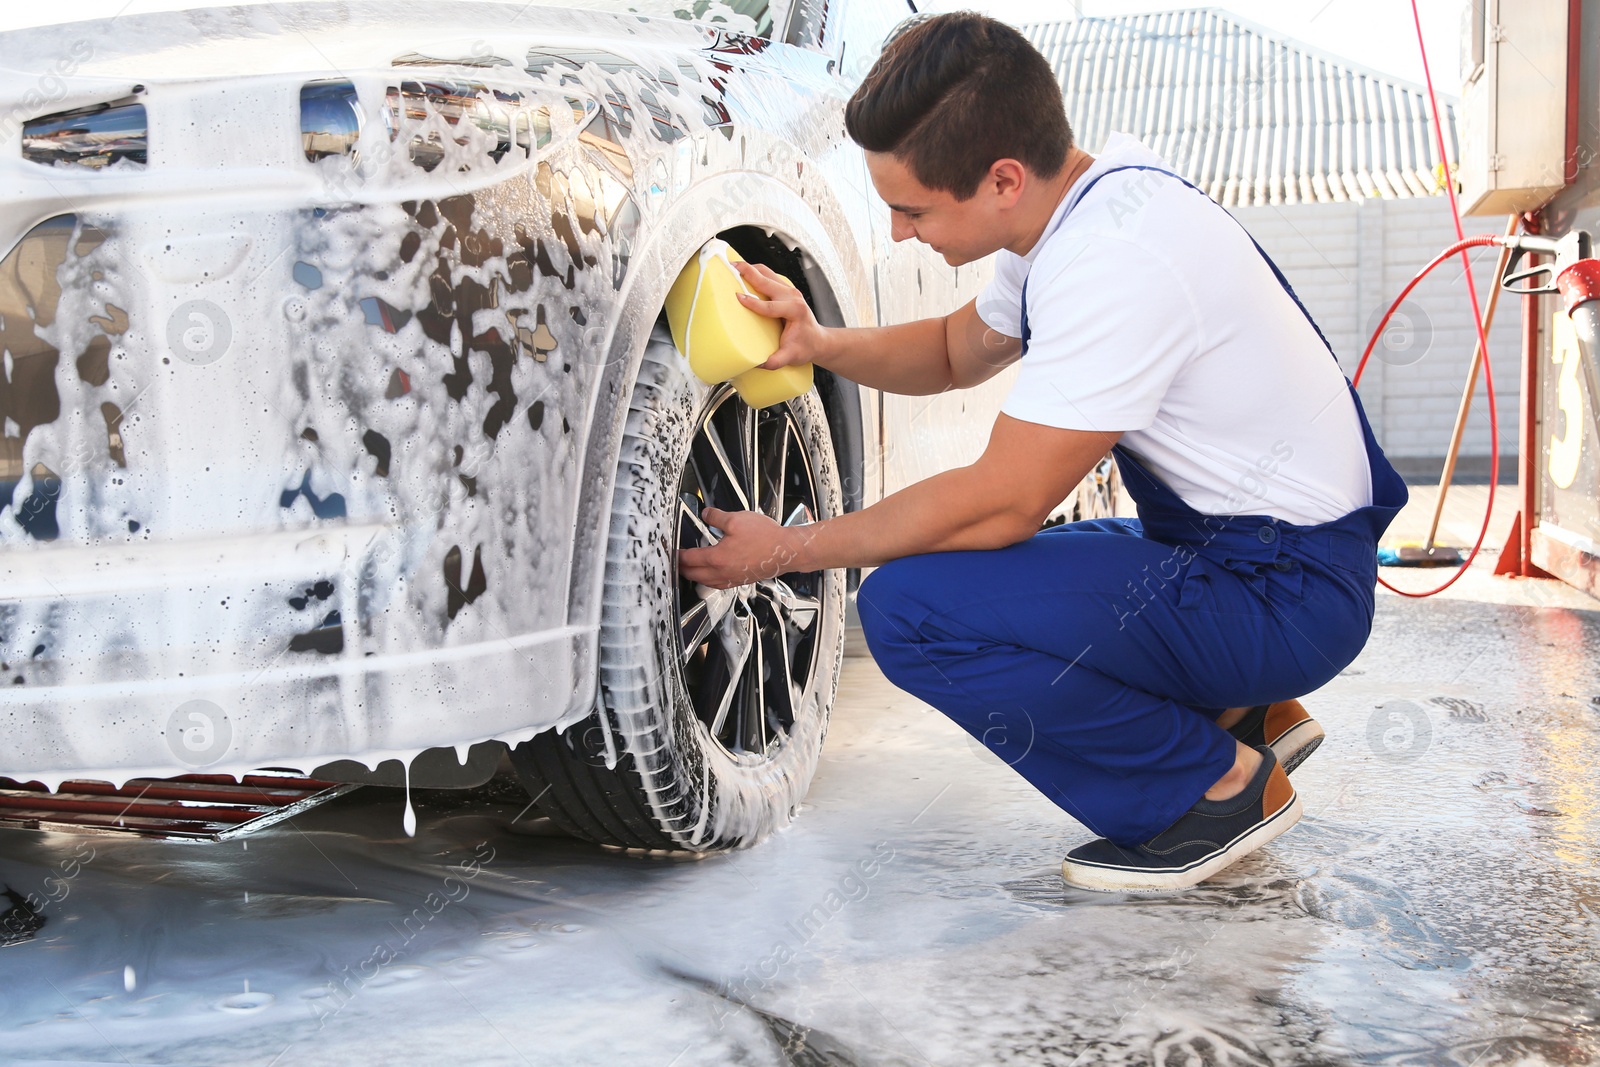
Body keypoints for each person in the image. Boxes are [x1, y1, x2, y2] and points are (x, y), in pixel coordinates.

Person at [678, 12, 1407, 891]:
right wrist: (818, 342)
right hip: (1249, 556)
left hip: (1284, 594)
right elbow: (956, 351)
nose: (903, 234)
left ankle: (1210, 789)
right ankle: (1240, 710)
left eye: (912, 210)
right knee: (1003, 576)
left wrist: (788, 550)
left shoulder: (1113, 263)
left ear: (1002, 180)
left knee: (910, 609)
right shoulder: (1090, 199)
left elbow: (1001, 502)